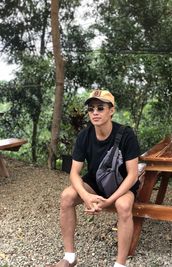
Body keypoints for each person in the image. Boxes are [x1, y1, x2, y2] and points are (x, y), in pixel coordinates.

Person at [46, 89, 140, 267]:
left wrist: (109, 200)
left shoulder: (126, 135)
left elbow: (133, 175)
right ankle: (70, 257)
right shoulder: (84, 136)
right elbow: (74, 173)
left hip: (121, 185)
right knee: (67, 196)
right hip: (96, 182)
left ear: (111, 110)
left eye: (100, 108)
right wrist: (86, 196)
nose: (95, 112)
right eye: (91, 109)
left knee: (123, 205)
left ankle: (120, 264)